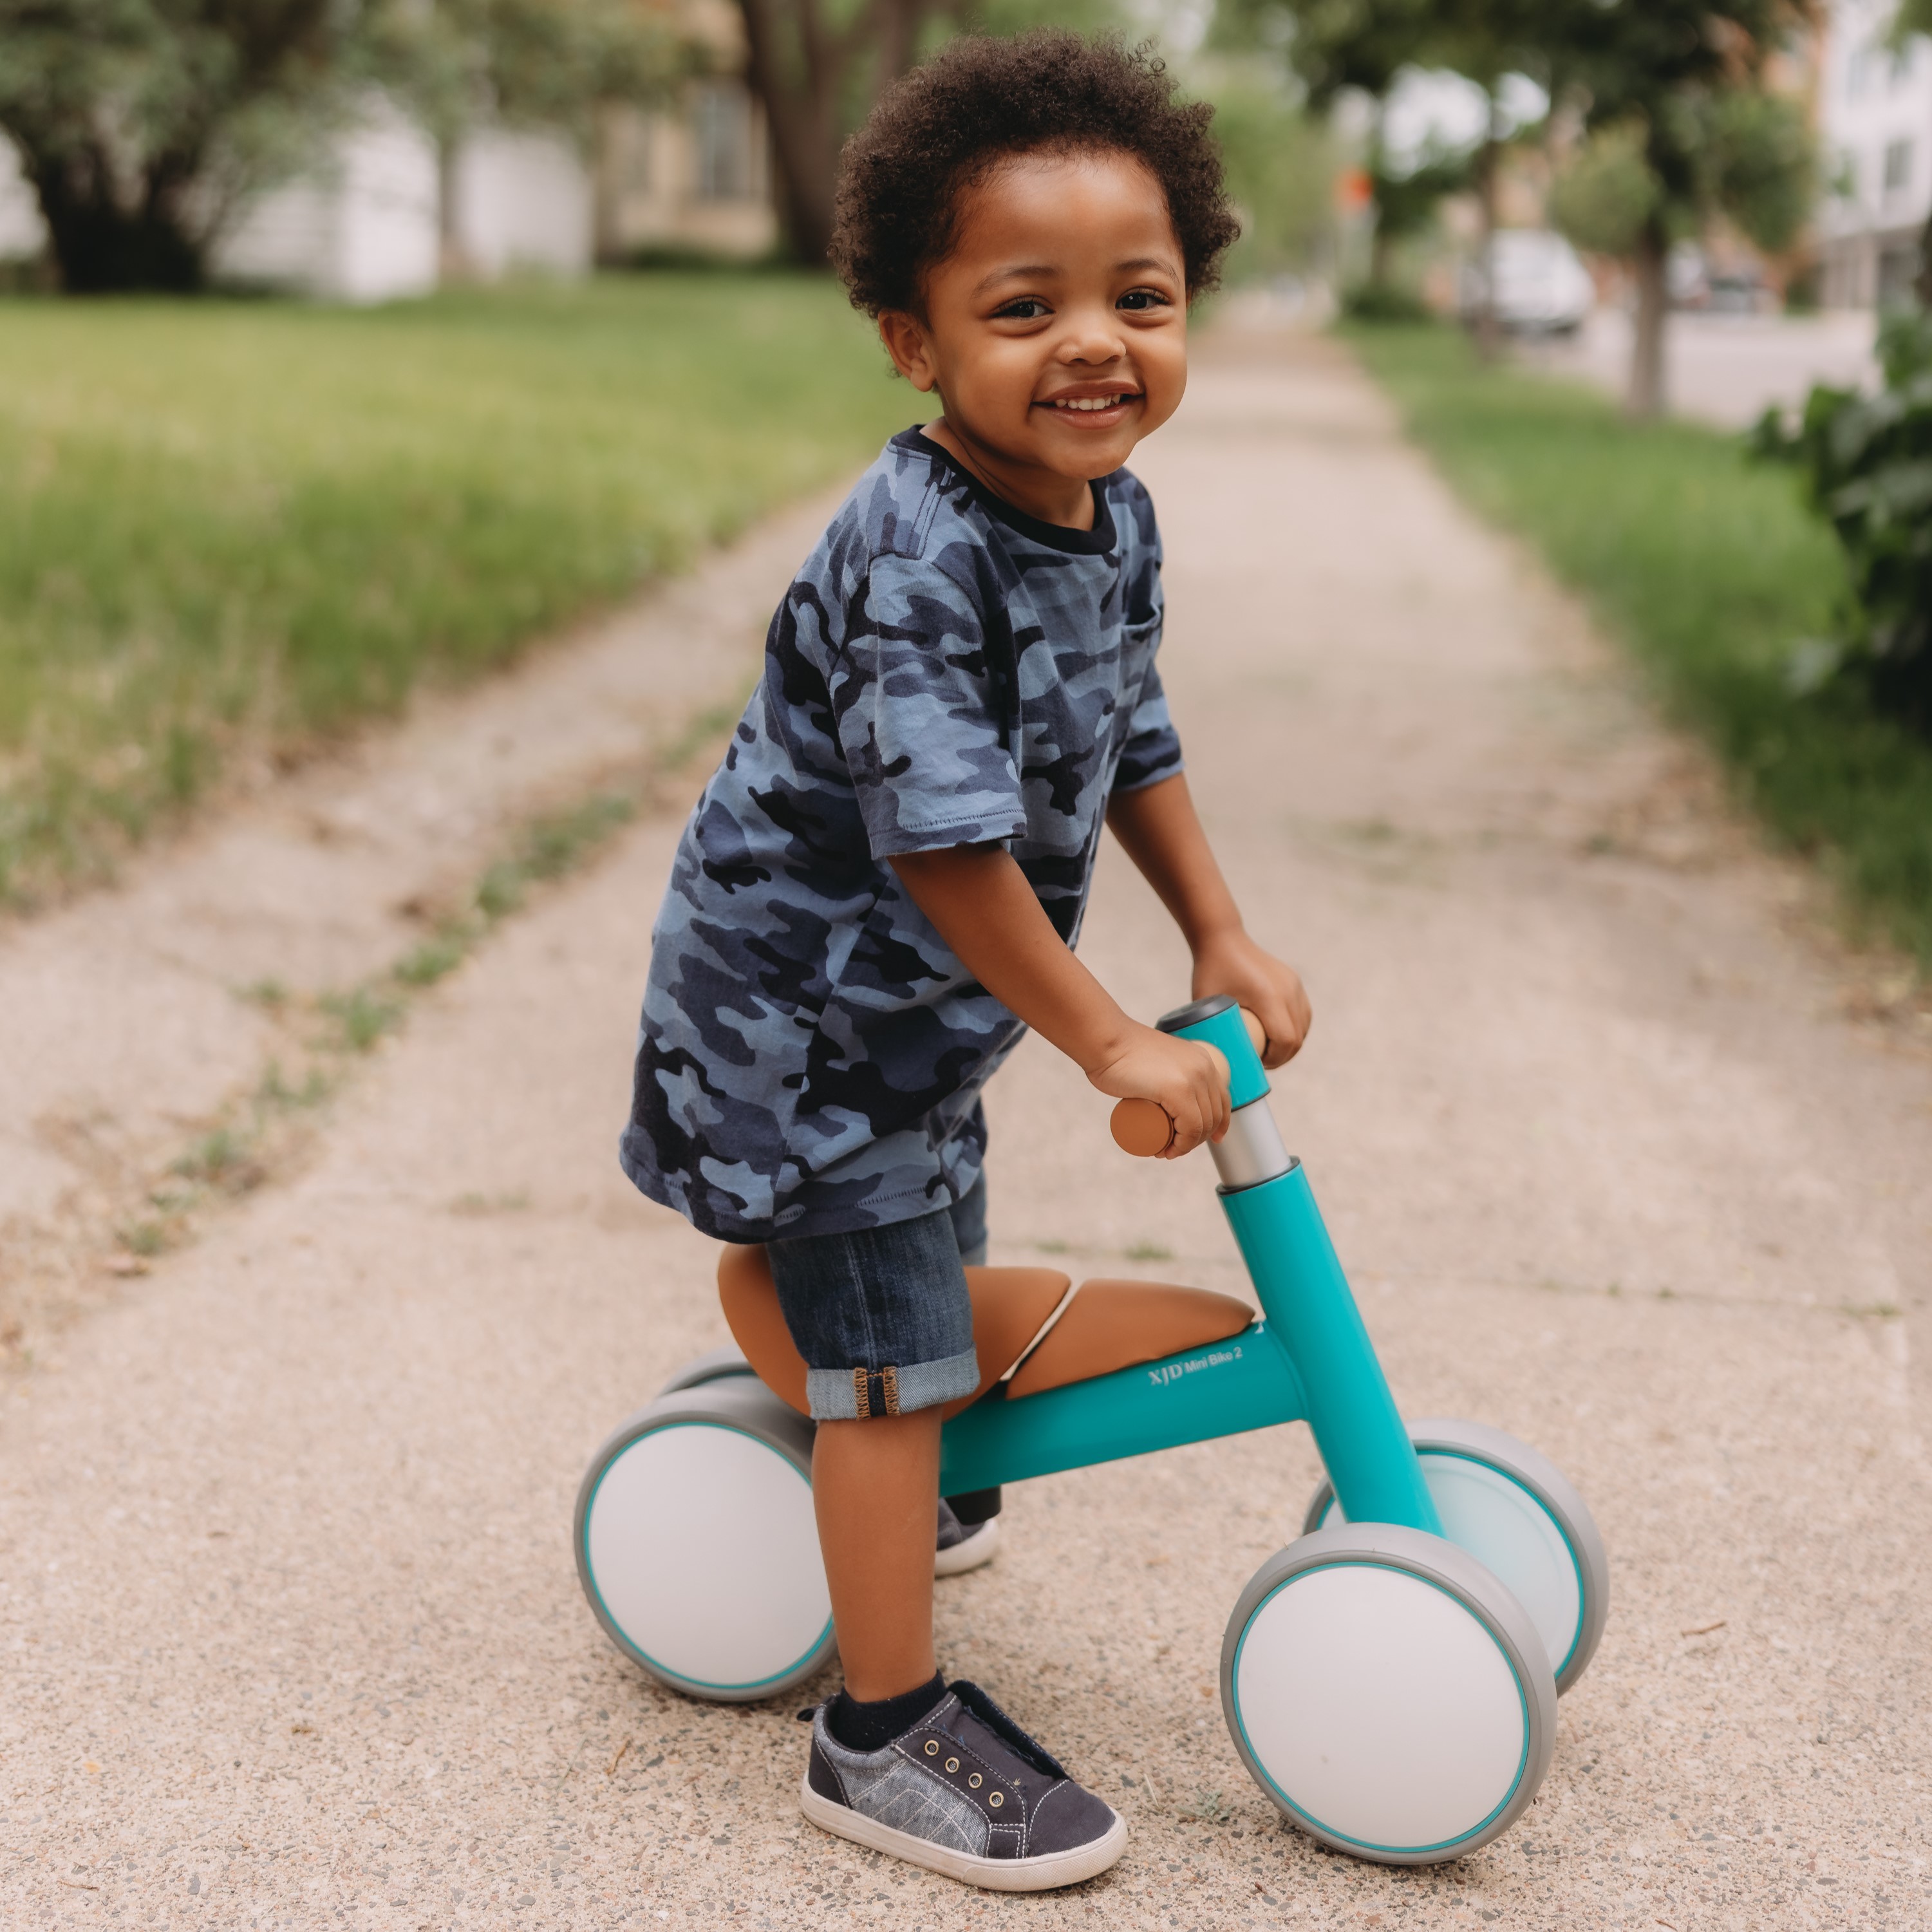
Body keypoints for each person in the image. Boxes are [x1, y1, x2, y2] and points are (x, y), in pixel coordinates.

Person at [618, 30, 1311, 1892]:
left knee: (929, 1227)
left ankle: (919, 1448)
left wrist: (1217, 929)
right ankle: (880, 1725)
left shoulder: (1107, 512)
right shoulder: (920, 550)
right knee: (891, 1368)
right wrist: (1104, 1041)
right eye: (1025, 306)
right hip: (794, 1019)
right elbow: (940, 841)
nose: (1093, 340)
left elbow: (1127, 724)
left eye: (1137, 296)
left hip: (918, 1017)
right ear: (913, 341)